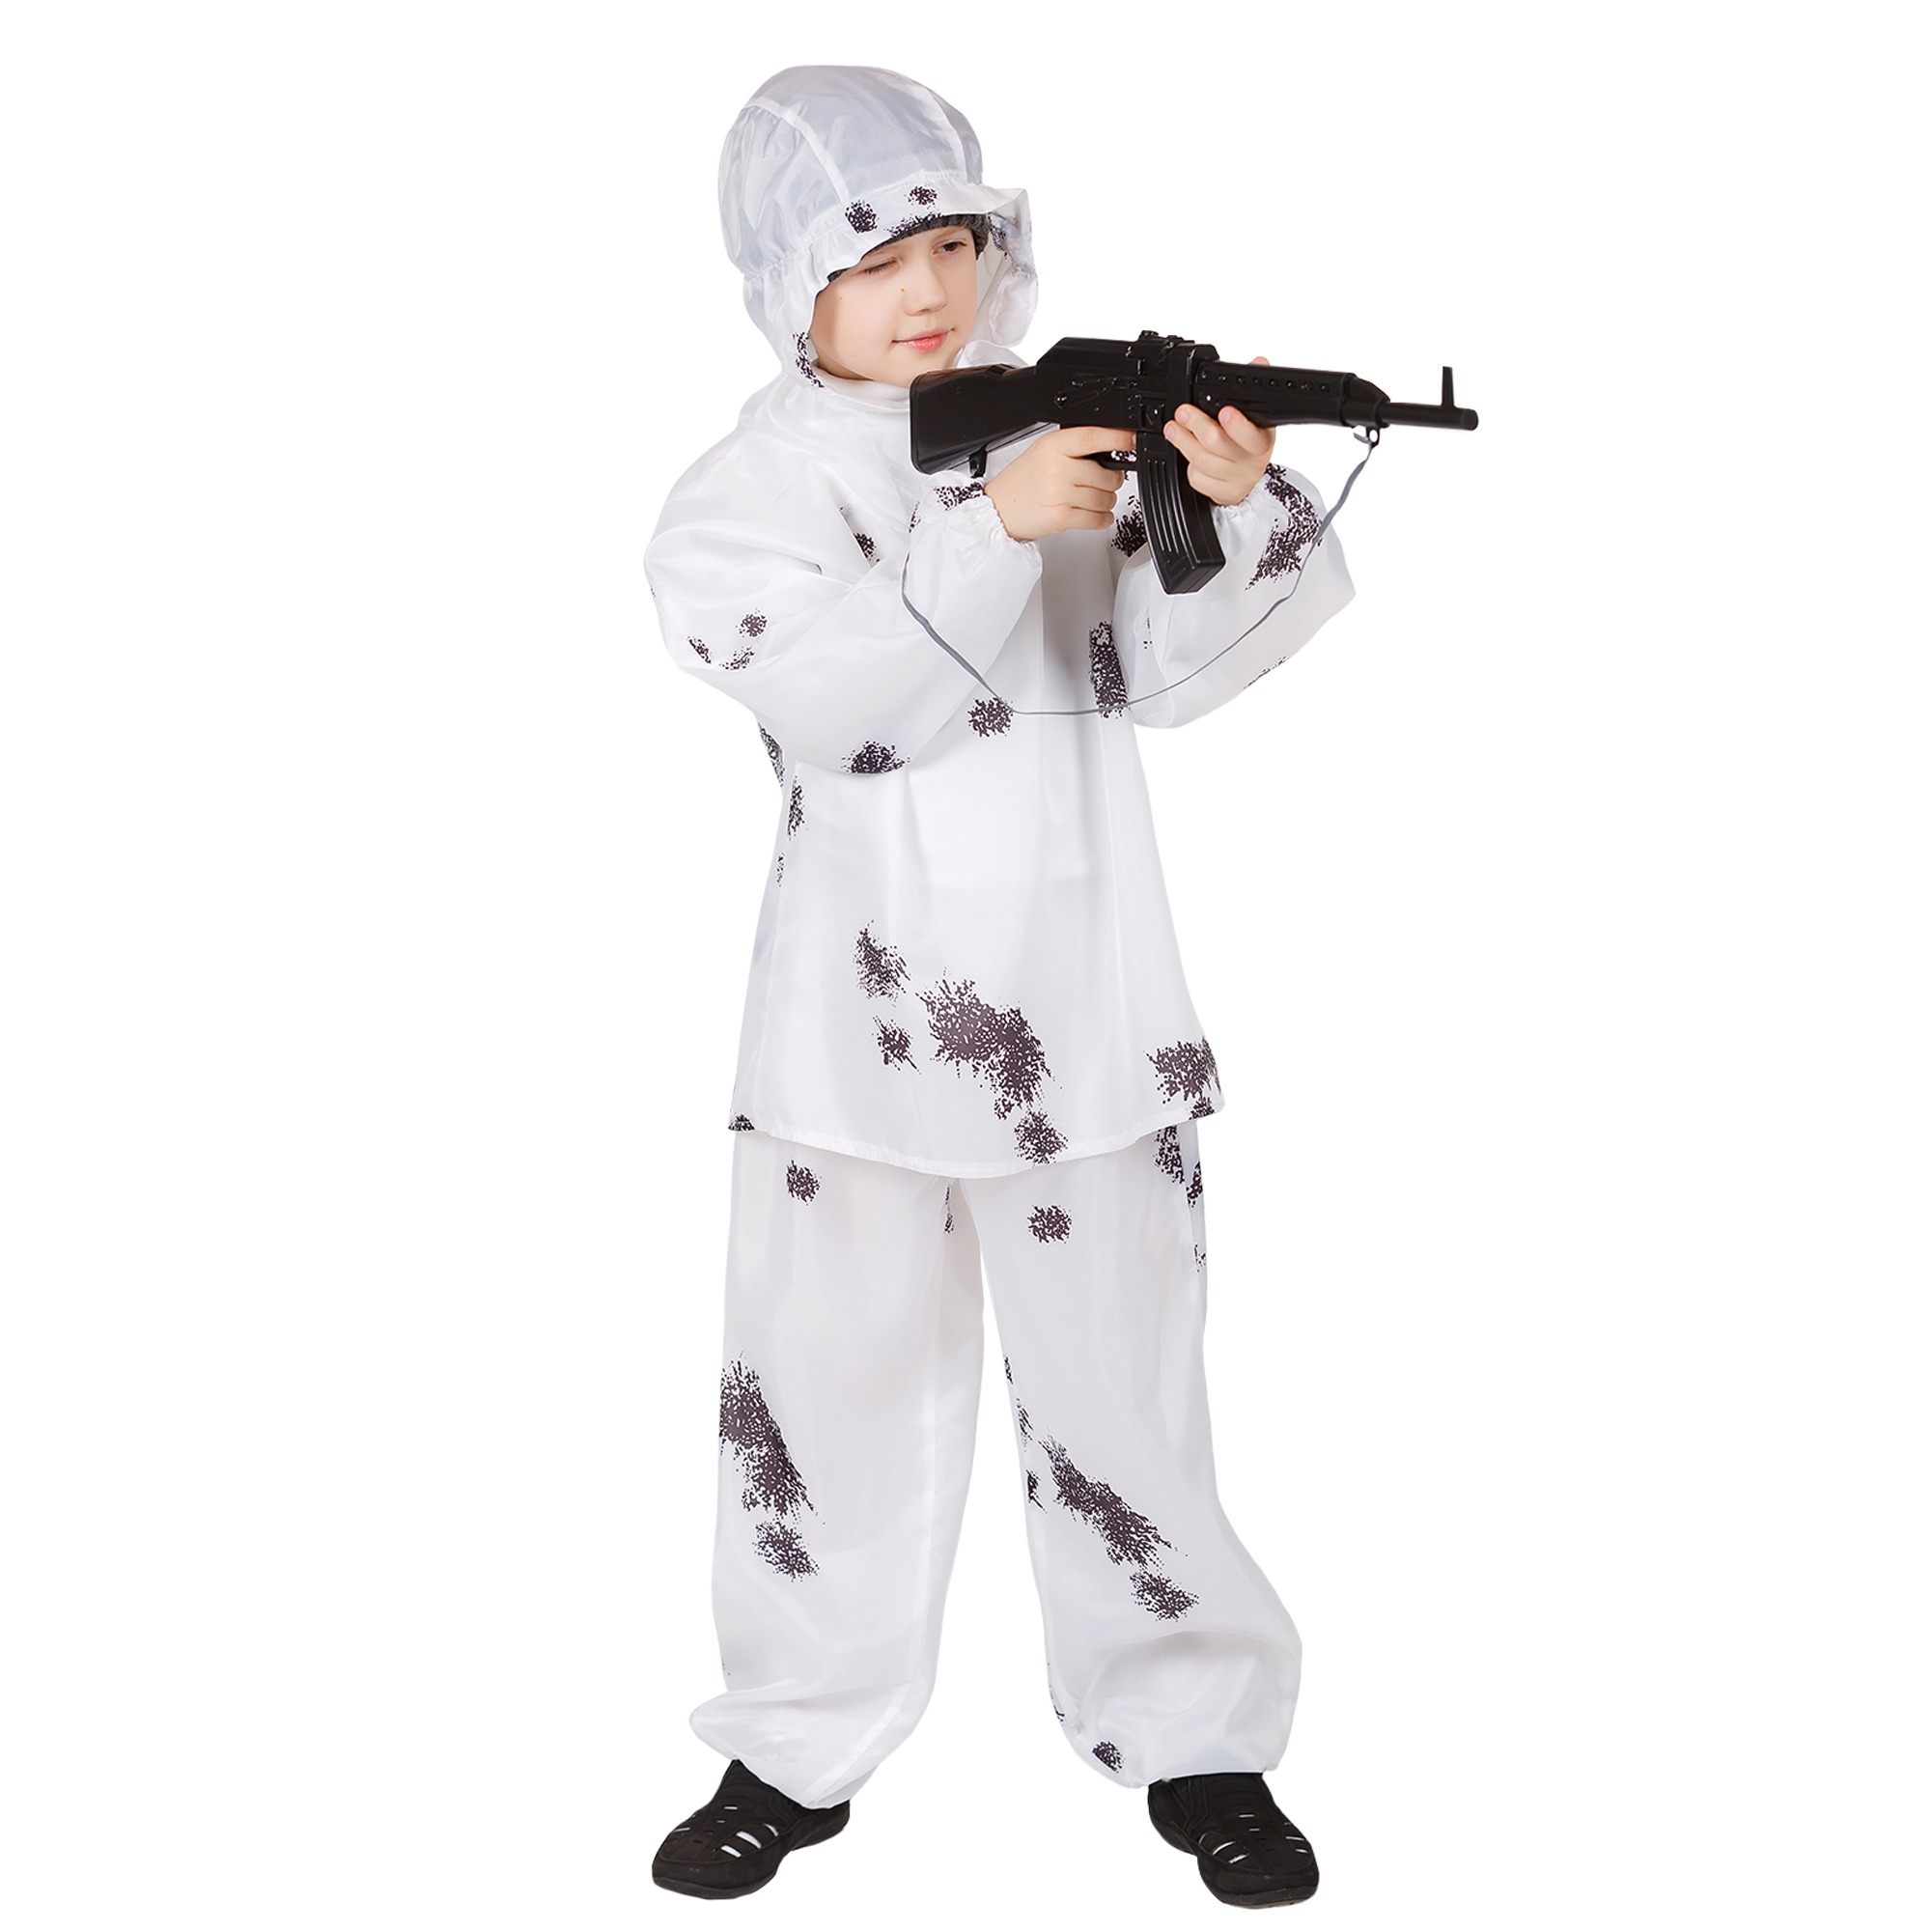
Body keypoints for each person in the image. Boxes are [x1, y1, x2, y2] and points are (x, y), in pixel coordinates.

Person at [646, 65, 1347, 1909]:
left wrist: (1222, 505)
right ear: (790, 283)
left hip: (1088, 1007)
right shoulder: (742, 496)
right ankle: (790, 1751)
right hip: (849, 1046)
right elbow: (835, 703)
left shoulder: (1057, 426)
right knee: (819, 1414)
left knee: (1132, 1410)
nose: (930, 291)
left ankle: (1199, 1750)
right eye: (877, 259)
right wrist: (991, 522)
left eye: (953, 244)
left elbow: (1179, 674)